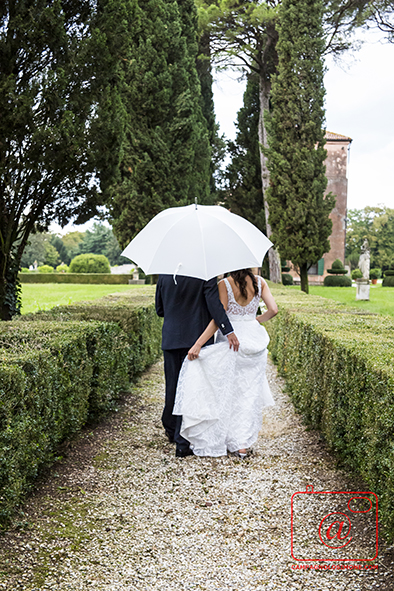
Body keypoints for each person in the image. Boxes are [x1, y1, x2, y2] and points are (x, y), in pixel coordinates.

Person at [173, 269, 278, 458]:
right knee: (248, 395)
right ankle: (242, 444)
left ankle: (223, 438)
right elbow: (274, 310)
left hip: (233, 341)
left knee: (227, 392)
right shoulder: (260, 282)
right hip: (255, 342)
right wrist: (255, 321)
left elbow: (218, 318)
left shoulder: (225, 284)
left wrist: (198, 344)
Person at [155, 274, 240, 457]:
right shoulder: (205, 276)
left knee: (173, 387)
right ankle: (182, 442)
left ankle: (170, 428)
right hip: (197, 341)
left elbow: (159, 310)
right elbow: (214, 306)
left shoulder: (164, 276)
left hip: (171, 339)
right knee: (193, 389)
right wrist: (228, 330)